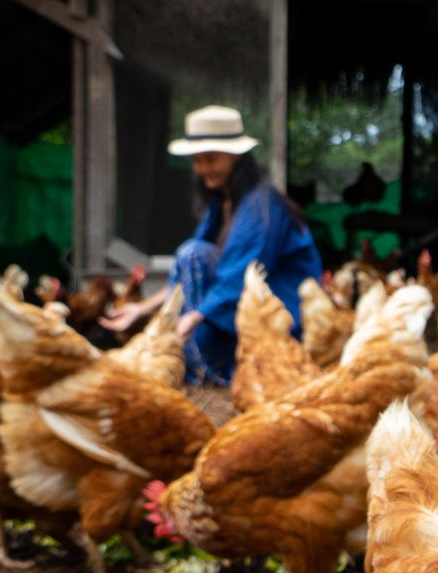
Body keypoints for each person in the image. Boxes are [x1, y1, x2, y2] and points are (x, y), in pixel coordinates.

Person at [102, 105, 322, 385]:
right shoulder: (222, 203)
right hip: (238, 307)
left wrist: (192, 319)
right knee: (191, 254)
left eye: (210, 159)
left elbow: (238, 277)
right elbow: (188, 274)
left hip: (281, 314)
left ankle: (214, 367)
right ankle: (206, 361)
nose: (201, 168)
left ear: (236, 157)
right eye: (197, 160)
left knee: (192, 254)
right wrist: (144, 309)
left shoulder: (261, 206)